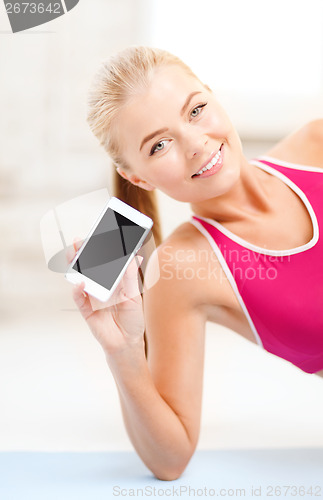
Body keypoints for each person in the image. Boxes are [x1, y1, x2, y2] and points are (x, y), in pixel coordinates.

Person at [70, 46, 323, 480]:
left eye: (196, 110)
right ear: (137, 178)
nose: (195, 145)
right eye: (159, 145)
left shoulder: (316, 144)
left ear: (213, 95)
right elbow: (170, 459)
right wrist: (122, 350)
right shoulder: (181, 270)